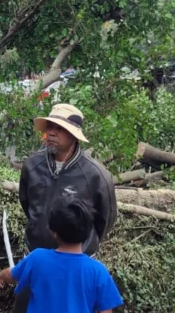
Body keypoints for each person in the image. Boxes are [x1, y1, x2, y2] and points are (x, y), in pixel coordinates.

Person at [0, 197, 123, 313]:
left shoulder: (38, 259)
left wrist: (1, 276)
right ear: (88, 231)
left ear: (53, 231)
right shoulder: (97, 272)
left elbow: (12, 274)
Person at [18, 103, 117, 256]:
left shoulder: (96, 176)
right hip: (36, 255)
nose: (51, 133)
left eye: (59, 128)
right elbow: (26, 203)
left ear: (73, 135)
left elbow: (105, 221)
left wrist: (85, 246)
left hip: (75, 260)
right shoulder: (32, 166)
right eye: (50, 127)